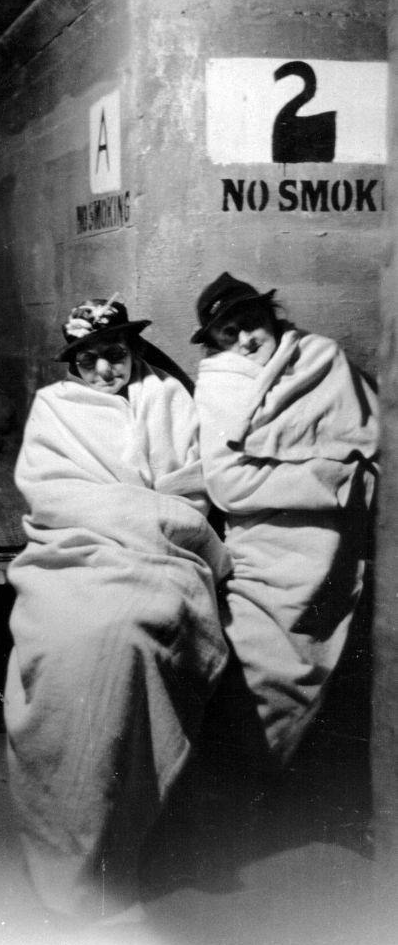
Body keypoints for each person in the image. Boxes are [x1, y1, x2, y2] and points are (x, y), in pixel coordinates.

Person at [3, 296, 231, 927]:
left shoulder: (166, 396)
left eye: (116, 357)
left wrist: (154, 513)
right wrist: (134, 507)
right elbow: (52, 494)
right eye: (92, 360)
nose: (106, 371)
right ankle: (72, 834)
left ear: (132, 353)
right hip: (77, 550)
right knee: (72, 639)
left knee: (136, 629)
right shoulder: (55, 407)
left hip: (159, 552)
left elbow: (194, 480)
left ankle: (121, 828)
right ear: (73, 365)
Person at [191, 272, 378, 770]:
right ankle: (257, 772)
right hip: (264, 539)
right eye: (229, 334)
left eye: (252, 323)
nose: (247, 340)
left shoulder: (321, 358)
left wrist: (331, 479)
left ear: (270, 316)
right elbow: (229, 485)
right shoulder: (218, 385)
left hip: (333, 535)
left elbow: (368, 446)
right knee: (257, 652)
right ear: (215, 343)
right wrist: (326, 477)